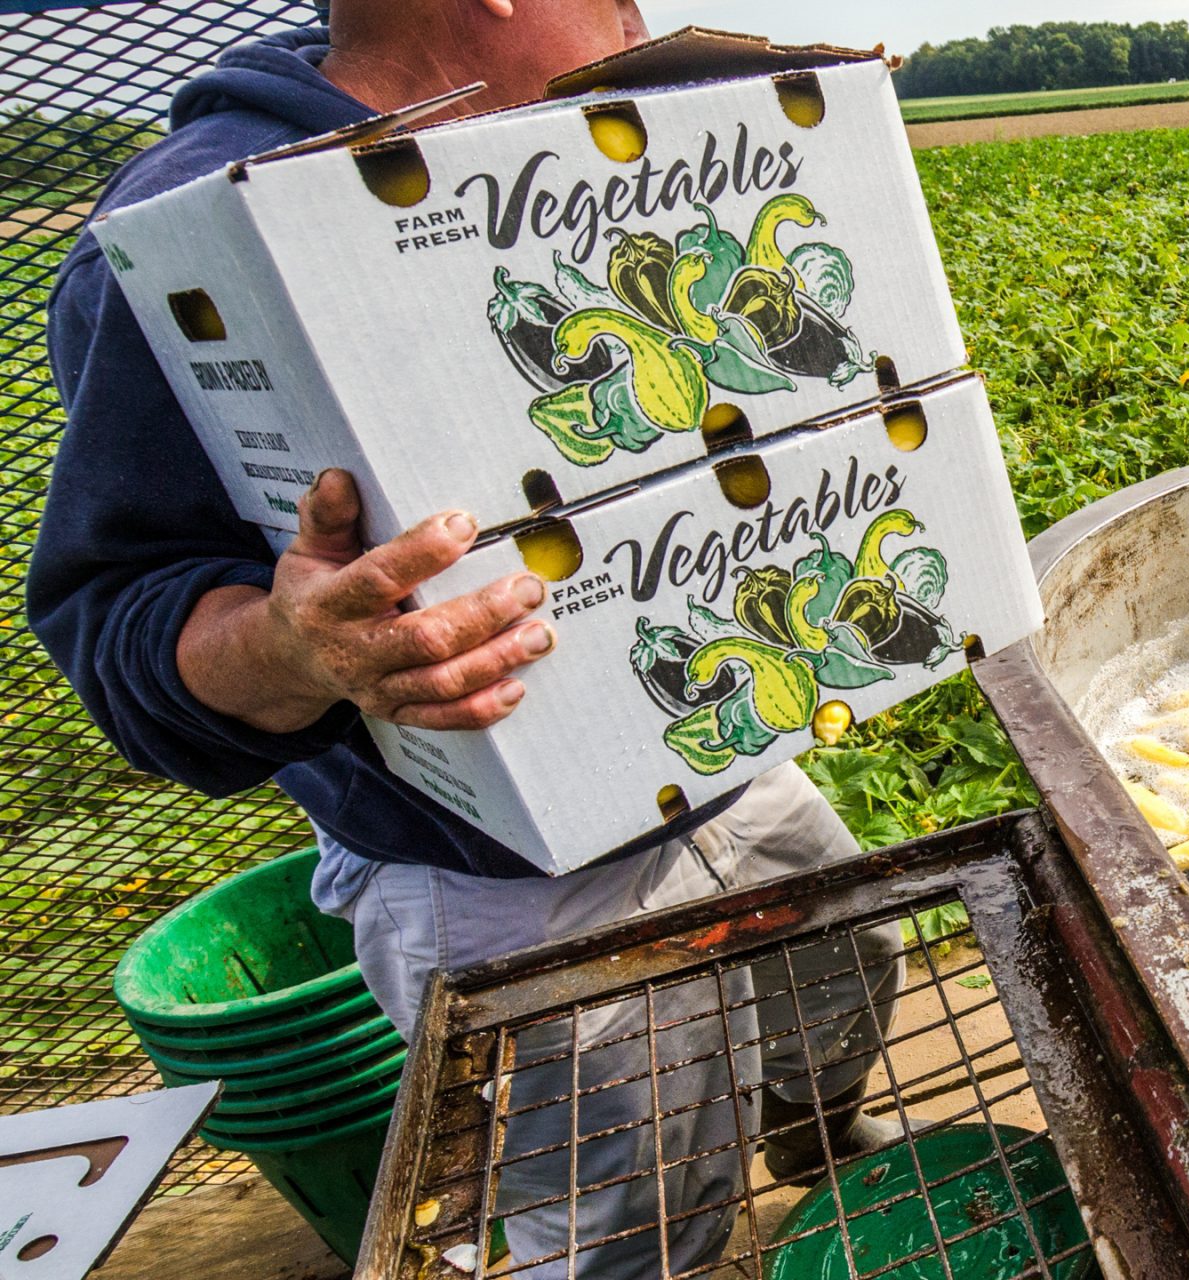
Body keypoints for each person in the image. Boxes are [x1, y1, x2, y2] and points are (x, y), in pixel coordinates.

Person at [29, 2, 904, 1274]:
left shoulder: (585, 154)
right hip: (503, 871)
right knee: (630, 1213)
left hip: (717, 755)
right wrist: (294, 648)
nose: (639, 21)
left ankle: (816, 1139)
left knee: (851, 965)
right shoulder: (194, 230)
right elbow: (115, 616)